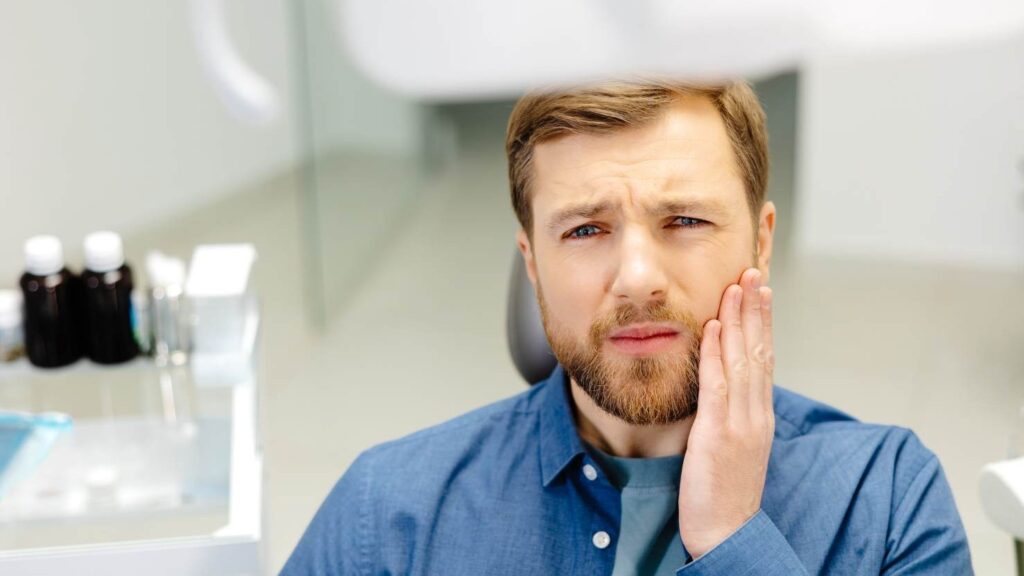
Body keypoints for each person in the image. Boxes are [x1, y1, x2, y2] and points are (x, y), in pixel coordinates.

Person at [281, 80, 973, 575]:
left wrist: (735, 541)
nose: (637, 276)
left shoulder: (886, 502)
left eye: (685, 221)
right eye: (585, 229)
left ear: (762, 244)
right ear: (532, 262)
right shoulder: (391, 517)